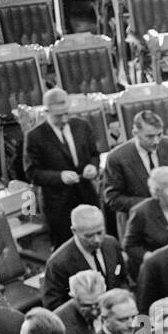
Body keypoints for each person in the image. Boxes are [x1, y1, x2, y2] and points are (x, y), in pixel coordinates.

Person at [23, 88, 100, 248]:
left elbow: (94, 154)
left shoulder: (82, 126)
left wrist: (93, 167)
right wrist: (60, 177)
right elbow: (32, 173)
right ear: (46, 112)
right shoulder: (35, 137)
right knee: (66, 248)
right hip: (58, 203)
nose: (65, 119)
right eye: (59, 115)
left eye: (67, 113)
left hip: (86, 195)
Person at [101, 111, 168, 227]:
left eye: (159, 135)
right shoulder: (117, 158)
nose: (156, 141)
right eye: (150, 136)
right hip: (137, 222)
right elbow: (112, 198)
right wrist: (151, 205)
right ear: (135, 133)